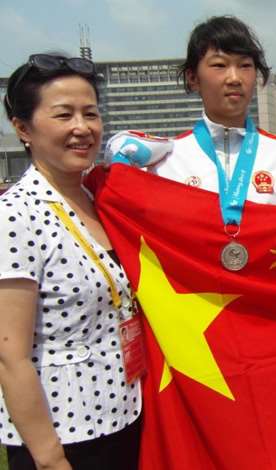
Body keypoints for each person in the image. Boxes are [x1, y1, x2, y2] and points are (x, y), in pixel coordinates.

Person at [0, 54, 141, 470]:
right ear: (23, 128)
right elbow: (11, 356)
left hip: (125, 415)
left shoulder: (102, 199)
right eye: (64, 115)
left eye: (91, 113)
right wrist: (49, 459)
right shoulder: (15, 216)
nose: (82, 128)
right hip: (65, 437)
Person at [106, 15, 276, 208]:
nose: (234, 78)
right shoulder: (167, 161)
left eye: (245, 65)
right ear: (193, 78)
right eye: (220, 65)